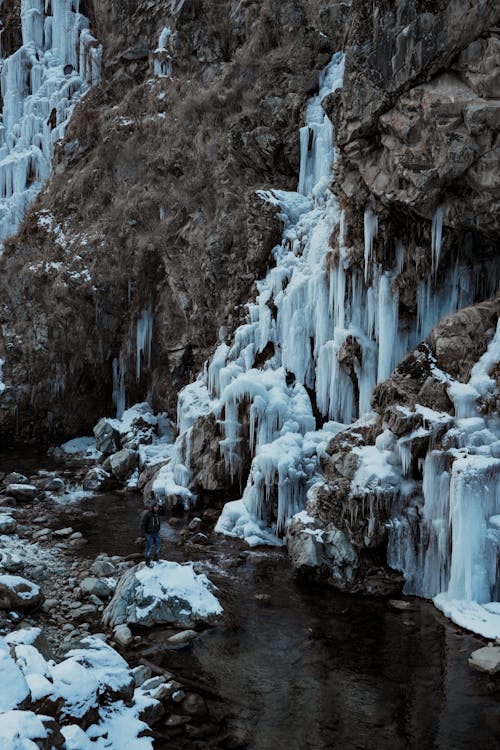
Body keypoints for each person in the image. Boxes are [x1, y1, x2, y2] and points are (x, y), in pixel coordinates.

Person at [141, 499, 161, 567]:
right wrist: (143, 534)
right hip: (149, 534)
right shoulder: (147, 514)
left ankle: (155, 558)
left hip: (156, 533)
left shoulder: (157, 514)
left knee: (158, 546)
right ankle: (147, 561)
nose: (157, 508)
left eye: (158, 507)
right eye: (156, 507)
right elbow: (143, 524)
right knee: (148, 548)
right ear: (152, 507)